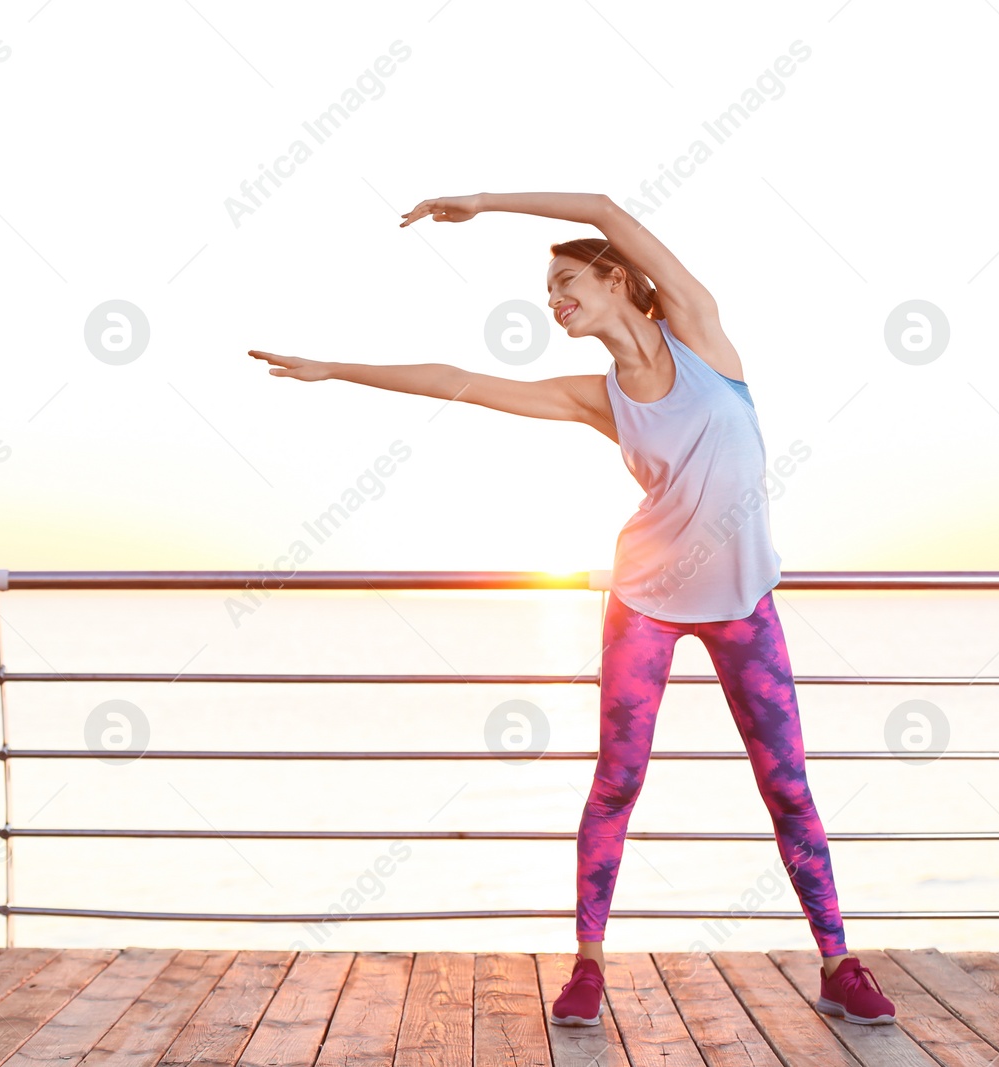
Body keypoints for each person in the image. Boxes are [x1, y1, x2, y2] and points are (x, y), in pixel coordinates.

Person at [247, 191, 896, 1027]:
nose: (551, 300)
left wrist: (482, 204)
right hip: (647, 601)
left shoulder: (700, 332)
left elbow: (600, 203)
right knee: (618, 780)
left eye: (564, 283)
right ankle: (588, 966)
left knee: (789, 788)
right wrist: (335, 368)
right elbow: (461, 383)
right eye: (546, 291)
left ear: (616, 277)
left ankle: (839, 966)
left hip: (744, 602)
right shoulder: (599, 397)